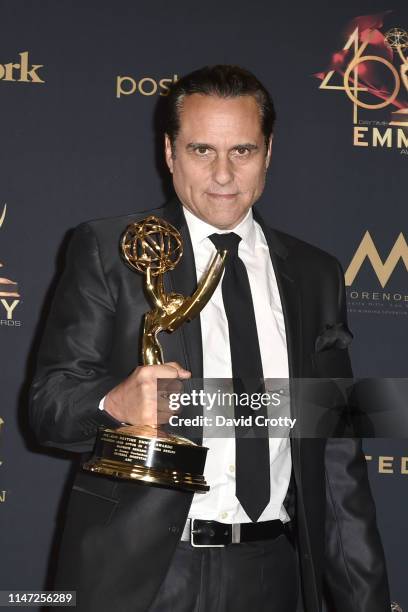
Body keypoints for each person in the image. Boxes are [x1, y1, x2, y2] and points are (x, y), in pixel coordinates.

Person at [29, 65, 391, 612]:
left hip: (273, 575)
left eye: (242, 151)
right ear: (169, 153)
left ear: (268, 152)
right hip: (142, 579)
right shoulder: (111, 250)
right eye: (202, 151)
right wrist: (113, 403)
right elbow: (47, 406)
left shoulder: (317, 274)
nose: (223, 174)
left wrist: (366, 600)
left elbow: (338, 458)